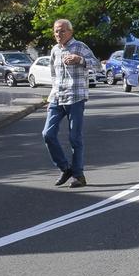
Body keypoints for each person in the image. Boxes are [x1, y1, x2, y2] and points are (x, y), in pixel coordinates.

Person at [43, 18, 98, 188]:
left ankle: (78, 175)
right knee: (47, 134)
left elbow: (97, 65)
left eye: (62, 31)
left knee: (75, 137)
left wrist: (80, 60)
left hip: (75, 97)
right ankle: (65, 168)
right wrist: (52, 94)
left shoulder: (79, 46)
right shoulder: (54, 50)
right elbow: (53, 74)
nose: (58, 34)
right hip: (57, 97)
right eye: (56, 31)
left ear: (70, 32)